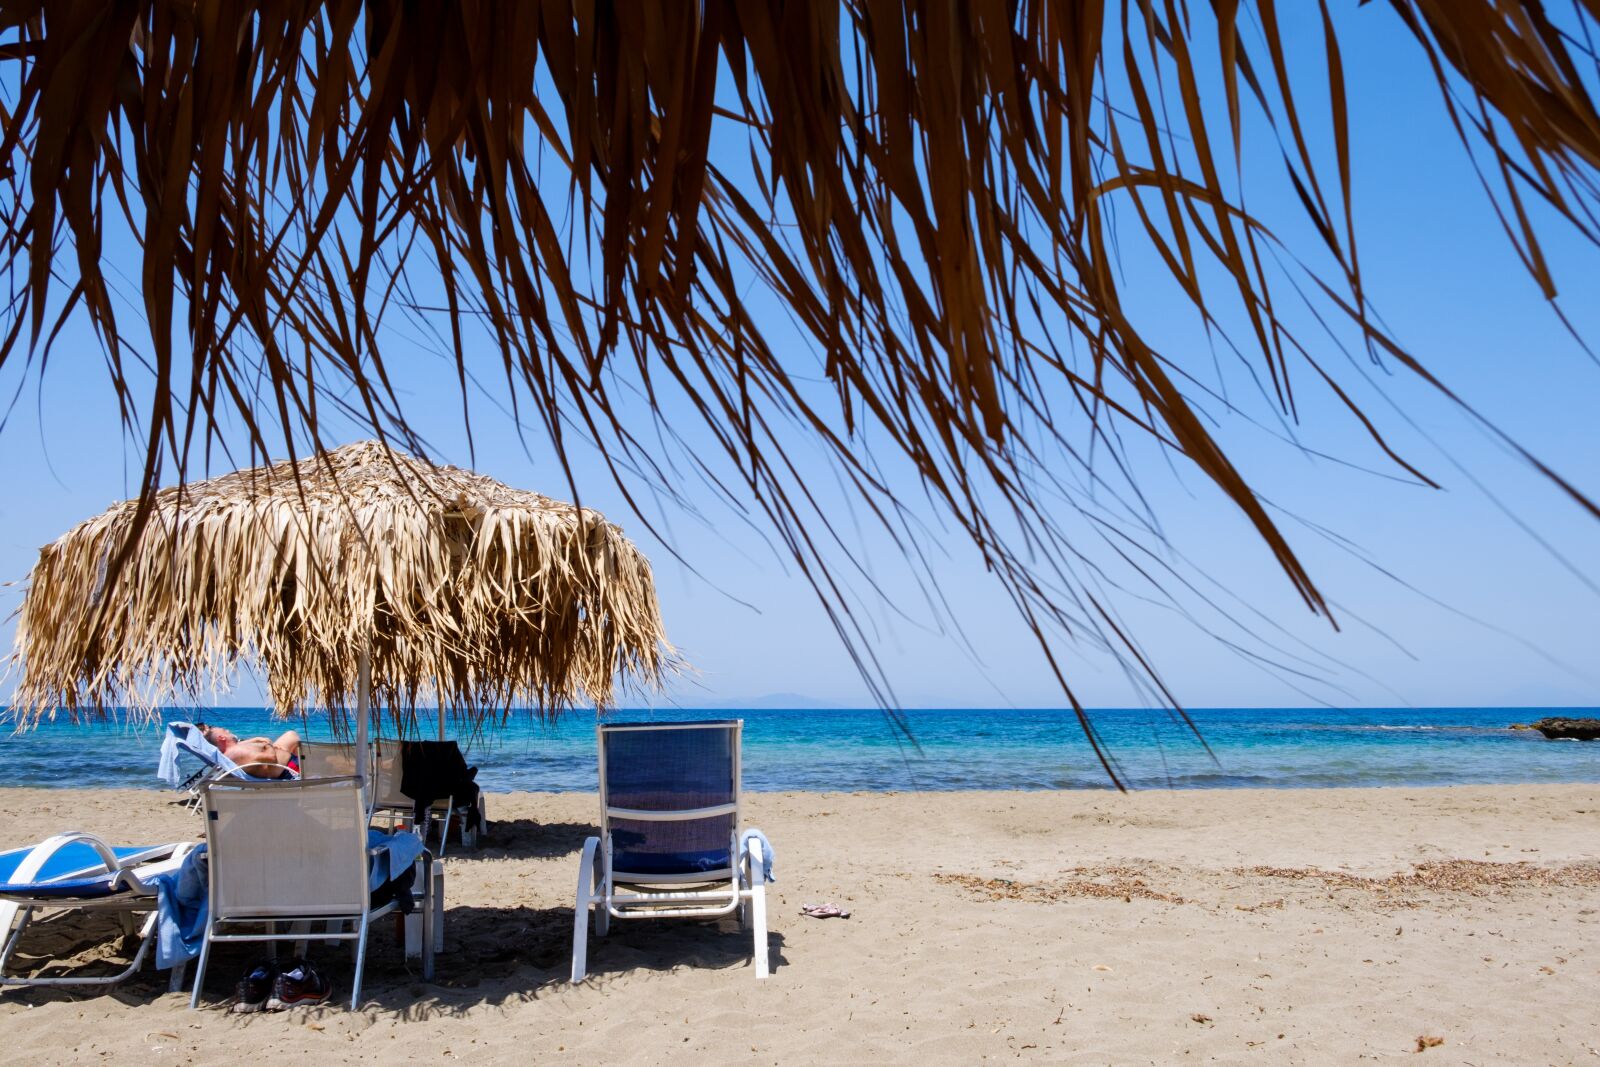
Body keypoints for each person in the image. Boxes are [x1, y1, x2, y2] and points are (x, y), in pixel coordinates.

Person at [196, 723, 302, 779]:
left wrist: (259, 741)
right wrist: (269, 745)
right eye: (225, 731)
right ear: (221, 738)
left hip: (280, 763)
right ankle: (302, 778)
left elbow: (243, 745)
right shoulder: (237, 752)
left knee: (291, 735)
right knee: (294, 737)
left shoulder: (232, 748)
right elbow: (271, 758)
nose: (228, 730)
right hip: (289, 769)